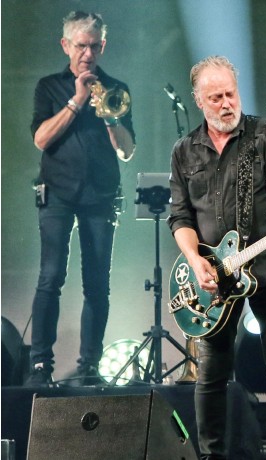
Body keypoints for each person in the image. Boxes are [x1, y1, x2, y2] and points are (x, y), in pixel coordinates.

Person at [168, 55, 266, 460]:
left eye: (231, 94)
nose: (226, 103)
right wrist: (195, 260)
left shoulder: (265, 135)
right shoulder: (184, 151)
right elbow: (180, 217)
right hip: (214, 276)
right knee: (211, 371)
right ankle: (211, 455)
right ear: (199, 101)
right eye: (216, 97)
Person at [26, 11, 136, 387]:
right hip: (57, 192)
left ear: (103, 46)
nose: (87, 54)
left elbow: (127, 151)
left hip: (100, 195)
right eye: (80, 46)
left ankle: (90, 365)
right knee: (50, 277)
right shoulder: (48, 87)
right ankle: (40, 365)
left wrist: (110, 117)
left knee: (97, 284)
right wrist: (76, 100)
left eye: (94, 46)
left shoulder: (117, 89)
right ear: (65, 45)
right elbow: (41, 139)